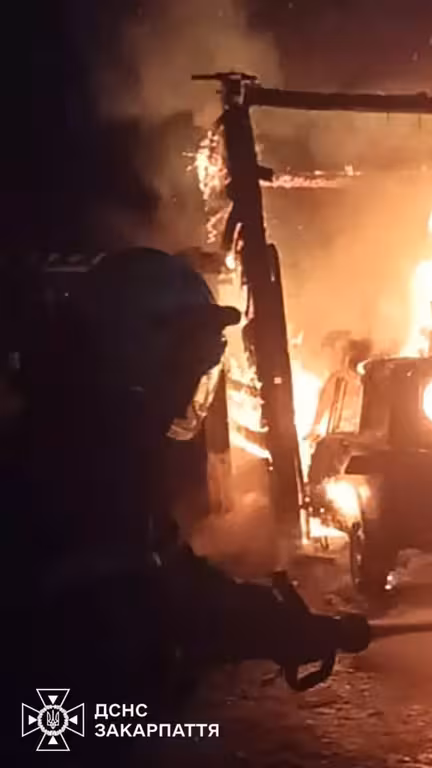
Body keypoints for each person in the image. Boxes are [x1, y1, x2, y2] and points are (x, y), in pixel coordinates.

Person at [8, 248, 369, 759]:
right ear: (135, 353)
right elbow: (143, 609)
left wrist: (272, 620)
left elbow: (167, 571)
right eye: (182, 368)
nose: (186, 391)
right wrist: (270, 628)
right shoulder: (79, 459)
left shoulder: (88, 437)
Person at [307, 330, 369, 440]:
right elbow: (324, 402)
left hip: (348, 436)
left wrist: (315, 426)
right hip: (346, 435)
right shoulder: (340, 379)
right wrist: (315, 427)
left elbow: (324, 402)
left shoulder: (341, 379)